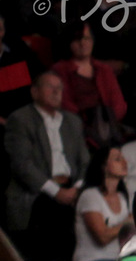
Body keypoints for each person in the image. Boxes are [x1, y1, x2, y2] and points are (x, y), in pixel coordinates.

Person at [5, 72, 89, 247]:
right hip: (38, 192)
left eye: (59, 88)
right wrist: (56, 192)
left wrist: (76, 189)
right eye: (50, 87)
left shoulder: (72, 121)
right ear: (34, 92)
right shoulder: (20, 119)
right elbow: (22, 164)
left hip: (72, 188)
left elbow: (85, 161)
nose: (56, 92)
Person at [73, 145, 133, 261]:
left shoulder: (122, 198)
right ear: (104, 166)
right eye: (117, 159)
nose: (124, 162)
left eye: (123, 158)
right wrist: (128, 222)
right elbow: (102, 237)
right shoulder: (90, 196)